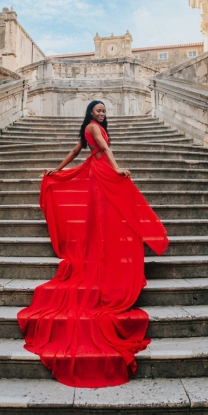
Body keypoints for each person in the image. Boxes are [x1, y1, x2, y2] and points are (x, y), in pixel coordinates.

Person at [17, 100, 169, 388]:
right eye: (99, 110)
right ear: (90, 113)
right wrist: (117, 168)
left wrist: (57, 169)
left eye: (104, 111)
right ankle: (113, 246)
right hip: (101, 170)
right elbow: (105, 149)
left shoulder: (88, 128)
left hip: (96, 169)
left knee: (107, 212)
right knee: (114, 207)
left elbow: (75, 152)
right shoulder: (93, 128)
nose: (103, 114)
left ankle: (108, 245)